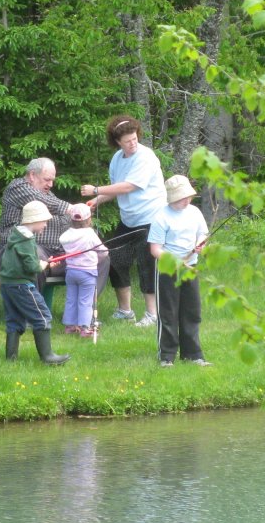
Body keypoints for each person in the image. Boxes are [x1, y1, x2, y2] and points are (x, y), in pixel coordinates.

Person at [81, 115, 166, 328]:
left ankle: (152, 314)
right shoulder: (117, 159)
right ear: (118, 142)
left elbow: (129, 186)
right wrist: (96, 201)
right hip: (129, 220)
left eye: (135, 138)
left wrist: (96, 189)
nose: (133, 143)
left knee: (147, 265)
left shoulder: (146, 157)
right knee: (114, 258)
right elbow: (117, 188)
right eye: (128, 140)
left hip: (150, 218)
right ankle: (125, 310)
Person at [147, 175, 211, 367]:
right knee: (168, 311)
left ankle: (193, 354)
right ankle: (167, 356)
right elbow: (155, 249)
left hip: (191, 266)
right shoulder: (161, 217)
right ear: (172, 198)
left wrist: (201, 245)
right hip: (168, 269)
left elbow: (203, 234)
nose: (187, 200)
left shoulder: (195, 213)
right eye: (182, 197)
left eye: (188, 196)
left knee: (192, 310)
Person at [0, 200, 70, 365]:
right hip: (21, 285)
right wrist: (42, 264)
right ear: (34, 221)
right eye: (44, 221)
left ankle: (11, 358)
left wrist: (45, 264)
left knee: (14, 319)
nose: (45, 225)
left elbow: (24, 260)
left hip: (8, 284)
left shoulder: (17, 235)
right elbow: (32, 265)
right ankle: (48, 357)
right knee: (42, 316)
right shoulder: (26, 239)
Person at [57, 204, 108, 337]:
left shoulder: (66, 235)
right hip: (87, 273)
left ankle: (70, 326)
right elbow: (103, 252)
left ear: (71, 220)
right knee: (85, 301)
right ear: (89, 219)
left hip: (71, 272)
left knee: (71, 299)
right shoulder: (90, 234)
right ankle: (85, 328)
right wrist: (98, 258)